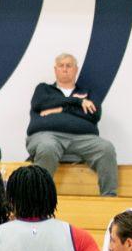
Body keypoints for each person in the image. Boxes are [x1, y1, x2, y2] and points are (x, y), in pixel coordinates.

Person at [25, 51, 119, 198]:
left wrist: (61, 108)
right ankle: (37, 201)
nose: (64, 69)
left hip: (83, 140)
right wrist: (77, 103)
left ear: (76, 69)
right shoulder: (43, 89)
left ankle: (109, 198)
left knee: (106, 148)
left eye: (69, 65)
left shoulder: (87, 92)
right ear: (55, 70)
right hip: (48, 137)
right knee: (47, 147)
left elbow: (94, 114)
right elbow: (39, 104)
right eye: (61, 66)